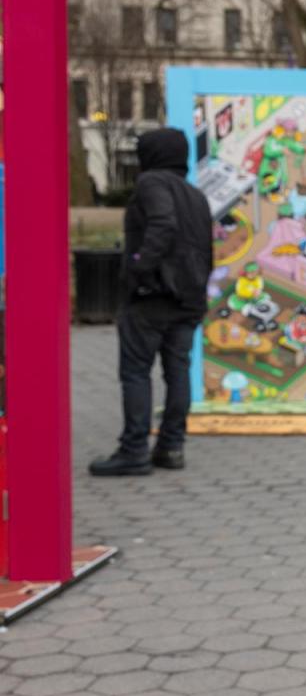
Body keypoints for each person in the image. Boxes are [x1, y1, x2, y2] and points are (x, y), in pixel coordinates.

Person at [89, 128, 213, 477]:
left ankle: (134, 450)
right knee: (178, 372)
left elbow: (162, 225)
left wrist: (137, 269)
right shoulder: (195, 194)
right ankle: (172, 446)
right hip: (187, 298)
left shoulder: (151, 184)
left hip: (152, 297)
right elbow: (206, 248)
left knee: (135, 372)